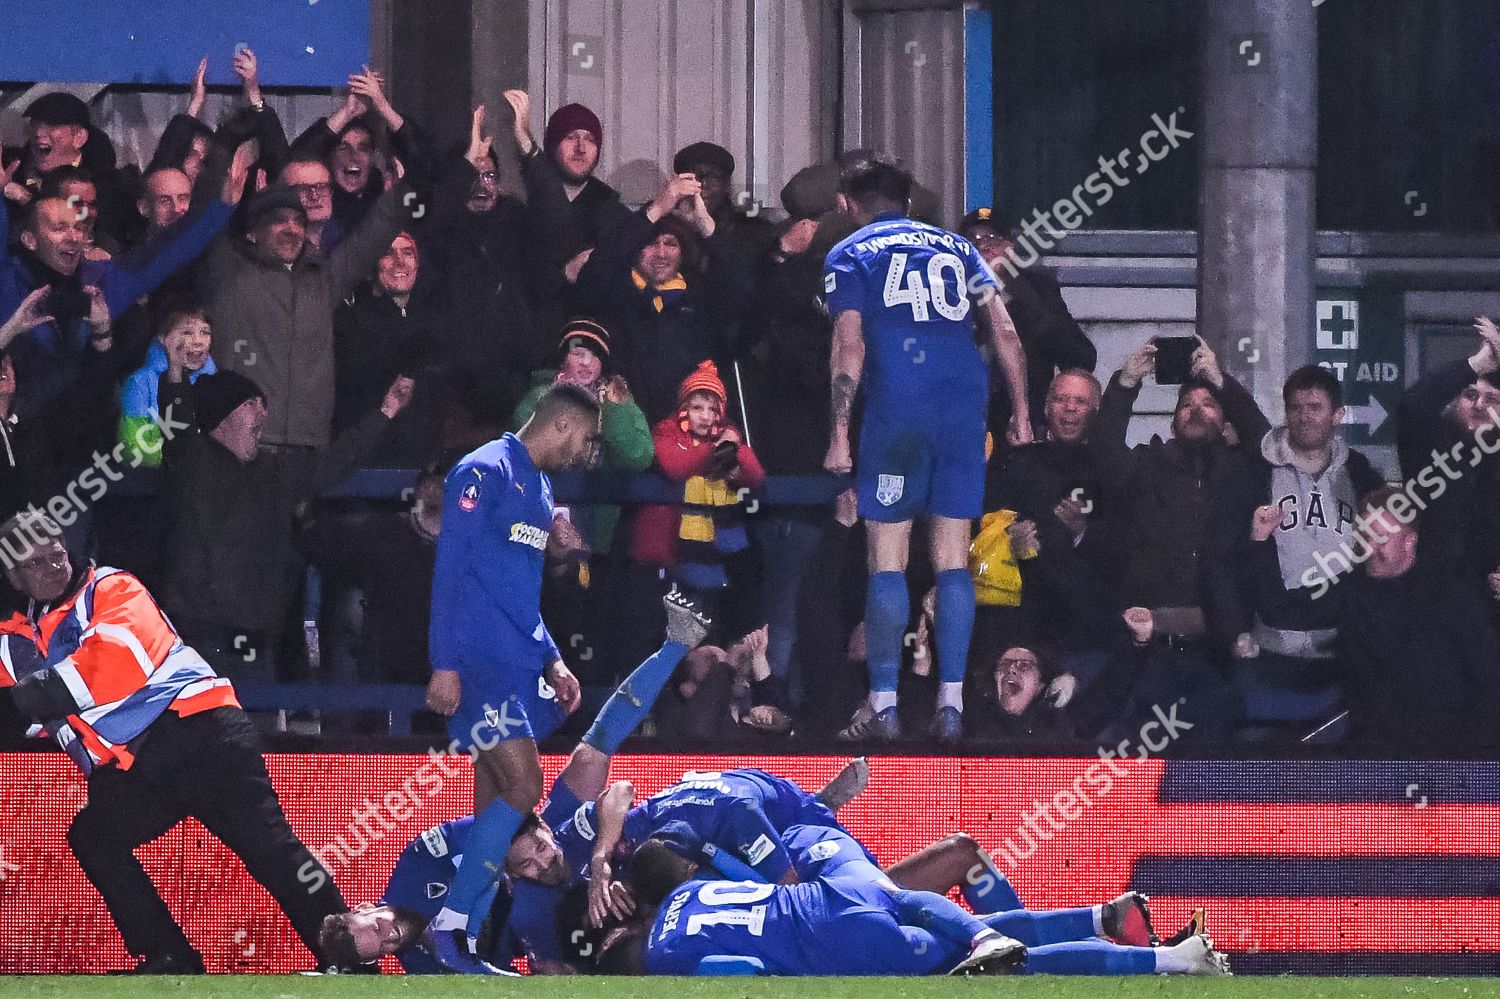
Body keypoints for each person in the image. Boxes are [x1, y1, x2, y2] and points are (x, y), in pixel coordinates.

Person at [0, 511, 349, 973]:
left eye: (57, 554)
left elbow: (100, 672)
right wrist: (27, 704)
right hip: (137, 765)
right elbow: (21, 718)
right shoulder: (13, 641)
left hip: (199, 733)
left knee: (271, 852)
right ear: (12, 575)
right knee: (96, 836)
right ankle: (172, 958)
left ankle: (352, 961)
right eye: (37, 563)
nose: (54, 567)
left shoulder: (111, 587)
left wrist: (27, 699)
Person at [319, 588, 714, 973]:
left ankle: (675, 645)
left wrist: (597, 859)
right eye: (384, 945)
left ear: (363, 908)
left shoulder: (420, 862)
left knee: (590, 756)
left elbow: (496, 822)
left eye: (377, 926)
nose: (391, 934)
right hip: (553, 919)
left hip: (552, 841)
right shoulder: (428, 963)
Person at [822, 154, 1031, 743]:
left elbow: (848, 342)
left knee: (887, 557)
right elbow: (1006, 333)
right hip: (965, 407)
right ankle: (952, 703)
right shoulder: (960, 249)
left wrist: (839, 431)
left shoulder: (851, 253)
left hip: (898, 407)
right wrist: (1019, 412)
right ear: (910, 204)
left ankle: (885, 704)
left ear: (847, 206)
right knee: (952, 558)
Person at [420, 384, 600, 968]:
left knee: (495, 797)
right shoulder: (482, 471)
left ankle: (467, 939)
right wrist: (443, 662)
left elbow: (521, 593)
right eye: (588, 439)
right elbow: (448, 568)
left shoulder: (542, 488)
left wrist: (554, 658)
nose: (586, 453)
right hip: (477, 661)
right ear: (564, 425)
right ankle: (449, 925)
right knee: (525, 788)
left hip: (518, 661)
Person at [157, 363, 413, 680]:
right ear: (222, 417)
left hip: (253, 640)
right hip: (195, 635)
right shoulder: (192, 462)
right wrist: (174, 374)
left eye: (263, 403)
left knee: (253, 722)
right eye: (251, 403)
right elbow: (176, 426)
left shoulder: (278, 472)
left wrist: (386, 412)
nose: (263, 413)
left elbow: (338, 457)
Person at [599, 858, 1228, 977]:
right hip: (834, 891)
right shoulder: (684, 895)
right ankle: (1096, 917)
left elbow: (738, 971)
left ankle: (1175, 958)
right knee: (954, 912)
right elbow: (752, 885)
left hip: (834, 941)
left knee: (1008, 967)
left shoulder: (664, 961)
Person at [1207, 365, 1384, 741]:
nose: (1304, 416)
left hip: (1341, 653)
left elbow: (1379, 562)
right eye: (1295, 407)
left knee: (1338, 779)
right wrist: (1234, 631)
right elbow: (1219, 561)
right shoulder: (1251, 474)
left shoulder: (1362, 475)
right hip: (1267, 651)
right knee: (1256, 770)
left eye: (1315, 407)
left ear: (1337, 414)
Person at [1334, 487, 1500, 756]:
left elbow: (1489, 681)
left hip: (1448, 752)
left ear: (1409, 541)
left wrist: (1468, 756)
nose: (1368, 548)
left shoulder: (1452, 599)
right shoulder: (1349, 592)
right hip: (1374, 753)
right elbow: (1287, 610)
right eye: (1364, 537)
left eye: (1380, 539)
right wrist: (1259, 543)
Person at [630, 360, 766, 613]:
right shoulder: (666, 433)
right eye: (697, 408)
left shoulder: (726, 439)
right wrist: (714, 452)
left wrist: (735, 448)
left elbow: (755, 476)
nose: (705, 416)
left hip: (709, 558)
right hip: (665, 554)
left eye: (712, 410)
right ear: (683, 409)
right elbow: (676, 466)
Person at [957, 208, 1096, 444]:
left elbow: (1081, 358)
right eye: (974, 241)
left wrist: (1025, 303)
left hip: (1027, 423)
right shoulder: (951, 292)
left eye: (993, 240)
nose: (984, 247)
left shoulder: (1037, 289)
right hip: (967, 421)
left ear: (1009, 247)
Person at [118, 300, 216, 466]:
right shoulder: (140, 383)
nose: (198, 341)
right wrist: (181, 458)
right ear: (163, 339)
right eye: (187, 333)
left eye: (205, 332)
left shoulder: (215, 383)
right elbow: (131, 450)